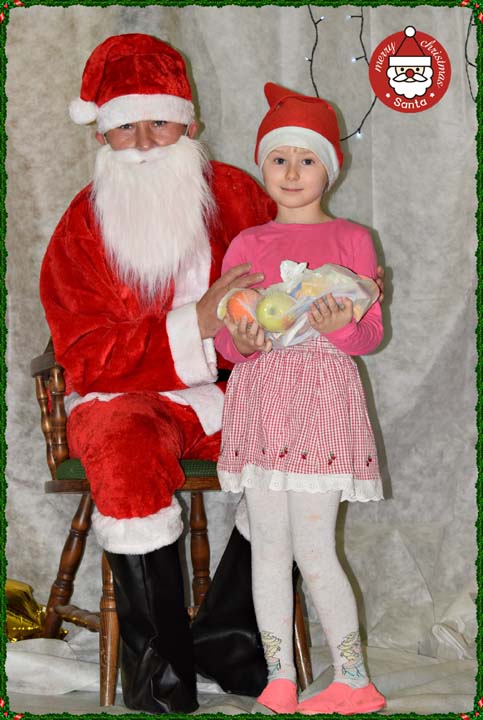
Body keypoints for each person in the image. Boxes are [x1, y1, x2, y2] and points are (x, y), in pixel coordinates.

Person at [39, 33, 277, 714]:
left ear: (188, 124)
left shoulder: (236, 195)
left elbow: (283, 288)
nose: (143, 142)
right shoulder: (83, 225)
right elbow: (83, 353)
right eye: (125, 128)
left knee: (302, 436)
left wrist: (337, 292)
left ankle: (229, 637)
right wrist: (191, 323)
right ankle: (162, 674)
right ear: (102, 135)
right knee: (123, 449)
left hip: (223, 393)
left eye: (159, 123)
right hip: (121, 396)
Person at [214, 82, 387, 715]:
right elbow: (229, 341)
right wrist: (242, 339)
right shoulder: (246, 245)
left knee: (314, 549)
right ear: (263, 167)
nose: (292, 172)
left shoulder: (352, 239)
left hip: (322, 404)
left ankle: (354, 680)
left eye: (306, 159)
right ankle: (279, 678)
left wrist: (338, 325)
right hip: (262, 403)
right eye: (279, 159)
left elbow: (368, 336)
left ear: (329, 168)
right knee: (269, 548)